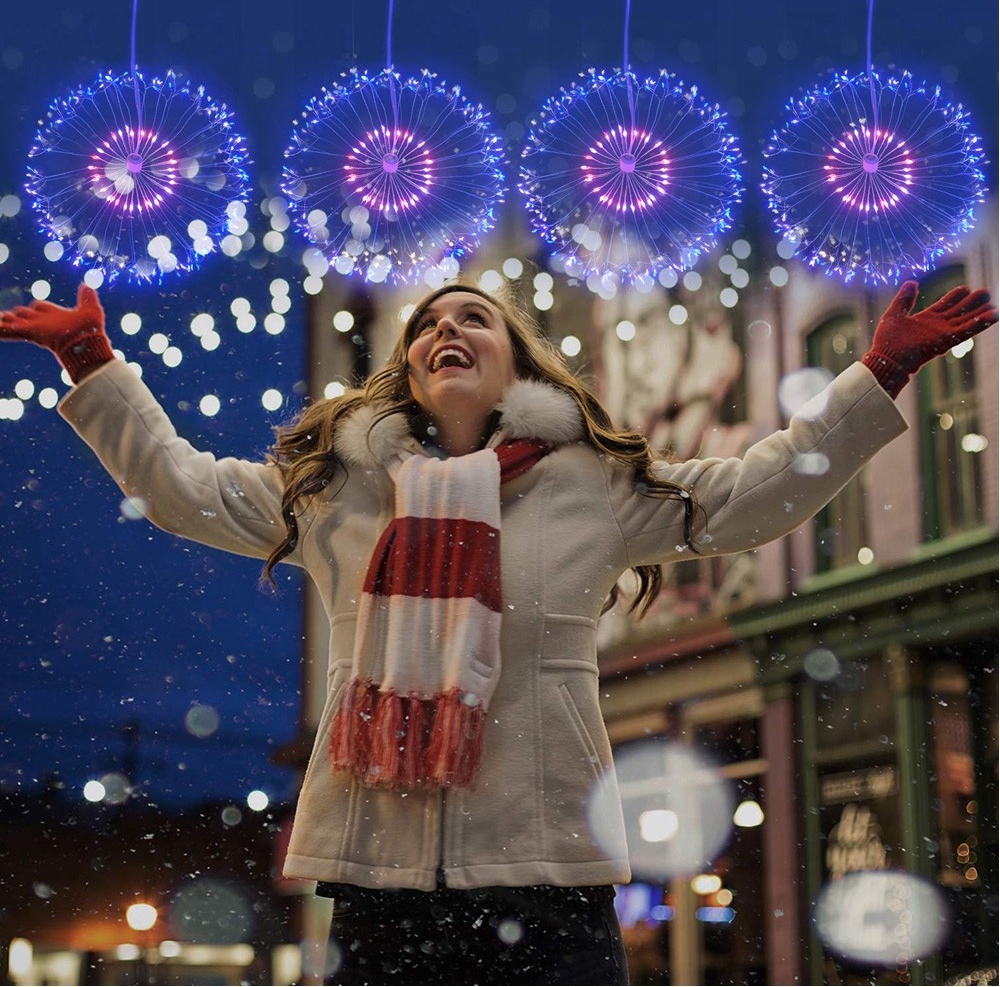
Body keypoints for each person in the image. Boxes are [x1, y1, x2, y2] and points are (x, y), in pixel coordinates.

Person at [1, 276, 995, 985]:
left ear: (512, 358)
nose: (445, 326)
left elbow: (750, 494)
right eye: (427, 322)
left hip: (547, 879)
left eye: (472, 316)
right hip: (380, 886)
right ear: (408, 370)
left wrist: (877, 374)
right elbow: (179, 488)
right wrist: (93, 359)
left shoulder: (592, 488)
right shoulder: (341, 492)